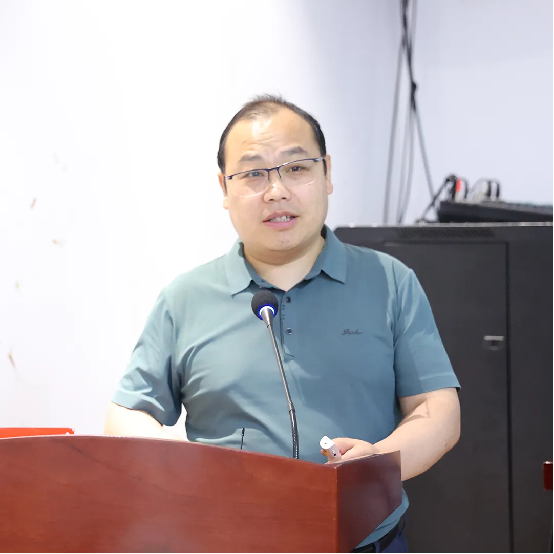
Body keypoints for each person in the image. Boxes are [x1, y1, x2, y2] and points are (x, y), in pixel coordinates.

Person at [105, 94, 461, 553]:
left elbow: (438, 411)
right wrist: (183, 468)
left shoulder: (390, 282)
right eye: (253, 173)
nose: (276, 191)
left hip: (366, 542)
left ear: (327, 173)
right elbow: (126, 413)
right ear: (224, 188)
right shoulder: (185, 298)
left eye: (296, 168)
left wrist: (379, 461)